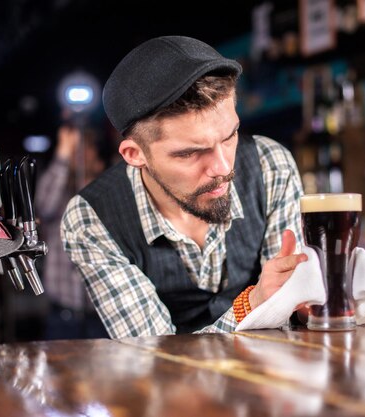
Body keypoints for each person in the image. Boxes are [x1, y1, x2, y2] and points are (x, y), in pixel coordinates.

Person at [60, 36, 308, 339]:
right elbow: (157, 359)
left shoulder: (271, 165)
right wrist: (250, 306)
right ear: (135, 154)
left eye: (230, 136)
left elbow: (289, 319)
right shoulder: (91, 218)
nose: (222, 168)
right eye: (191, 153)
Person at [35, 122, 109, 339]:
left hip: (103, 314)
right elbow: (43, 205)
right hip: (63, 313)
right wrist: (63, 152)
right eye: (77, 149)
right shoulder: (60, 196)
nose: (82, 154)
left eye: (87, 147)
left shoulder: (109, 192)